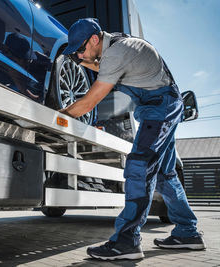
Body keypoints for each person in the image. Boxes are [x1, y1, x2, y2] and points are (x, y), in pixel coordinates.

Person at [60, 18, 206, 261]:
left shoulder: (118, 52)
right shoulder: (117, 45)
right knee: (165, 174)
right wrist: (84, 59)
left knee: (139, 166)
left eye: (80, 49)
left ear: (94, 39)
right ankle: (188, 233)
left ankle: (127, 241)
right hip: (165, 105)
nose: (79, 54)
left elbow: (87, 103)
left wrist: (57, 115)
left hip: (159, 109)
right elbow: (106, 68)